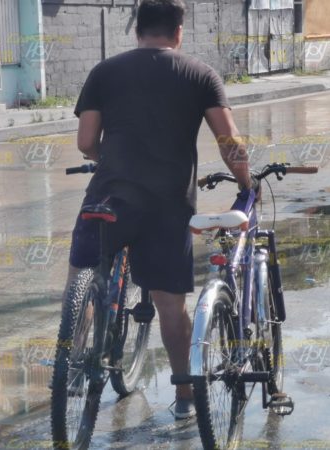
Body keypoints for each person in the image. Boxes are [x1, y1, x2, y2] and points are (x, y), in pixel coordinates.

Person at [66, 0, 253, 419]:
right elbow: (229, 143)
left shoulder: (104, 72)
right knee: (171, 306)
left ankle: (72, 361)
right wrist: (246, 183)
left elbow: (86, 142)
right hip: (167, 206)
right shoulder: (200, 74)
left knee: (82, 277)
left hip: (108, 197)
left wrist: (108, 160)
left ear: (137, 29)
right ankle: (184, 395)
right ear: (178, 31)